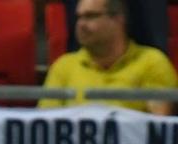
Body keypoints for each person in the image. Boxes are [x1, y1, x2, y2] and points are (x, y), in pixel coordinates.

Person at [38, 0, 178, 116]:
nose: (81, 24)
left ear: (118, 19)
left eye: (90, 16)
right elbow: (47, 122)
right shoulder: (63, 66)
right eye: (78, 17)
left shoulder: (153, 62)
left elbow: (158, 129)